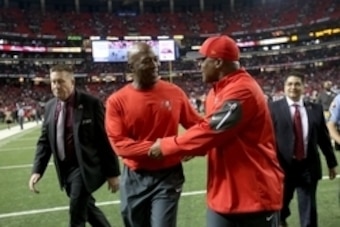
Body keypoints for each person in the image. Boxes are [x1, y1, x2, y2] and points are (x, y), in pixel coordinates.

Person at [148, 35, 284, 227]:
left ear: (218, 62)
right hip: (222, 194)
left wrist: (167, 146)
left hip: (253, 195)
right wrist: (194, 148)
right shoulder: (215, 92)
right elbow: (214, 135)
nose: (199, 66)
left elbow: (211, 131)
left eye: (203, 60)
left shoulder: (243, 90)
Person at [105, 42, 202, 227]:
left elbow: (197, 125)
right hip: (134, 177)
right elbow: (119, 144)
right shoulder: (116, 101)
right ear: (131, 67)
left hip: (168, 175)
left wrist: (193, 146)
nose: (155, 65)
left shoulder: (175, 92)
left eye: (156, 60)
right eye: (147, 61)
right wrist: (164, 147)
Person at [28, 64, 120, 227]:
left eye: (60, 81)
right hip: (65, 170)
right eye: (53, 82)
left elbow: (104, 140)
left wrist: (112, 173)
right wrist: (37, 170)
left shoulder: (91, 103)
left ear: (72, 82)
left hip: (85, 167)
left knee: (76, 213)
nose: (56, 86)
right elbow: (45, 141)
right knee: (89, 210)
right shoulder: (49, 107)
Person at [269, 72, 337, 227]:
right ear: (284, 87)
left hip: (308, 167)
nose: (293, 87)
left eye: (297, 84)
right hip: (283, 168)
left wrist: (331, 162)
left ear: (304, 87)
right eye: (290, 84)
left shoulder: (315, 109)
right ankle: (281, 220)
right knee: (280, 208)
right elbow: (266, 139)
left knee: (309, 210)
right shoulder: (273, 109)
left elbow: (323, 139)